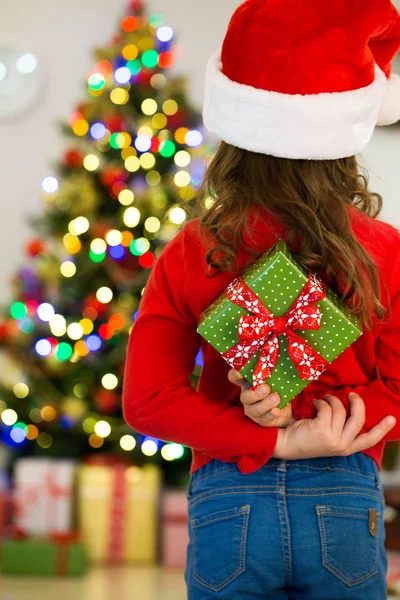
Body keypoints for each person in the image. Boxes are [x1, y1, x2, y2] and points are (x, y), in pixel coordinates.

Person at [122, 0, 400, 598]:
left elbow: (148, 402)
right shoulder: (385, 250)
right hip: (344, 494)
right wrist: (325, 423)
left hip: (230, 492)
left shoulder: (192, 250)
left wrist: (273, 434)